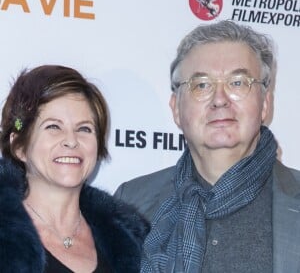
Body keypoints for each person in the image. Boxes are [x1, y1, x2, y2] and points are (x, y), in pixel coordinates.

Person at [114, 20, 300, 272]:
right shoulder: (131, 202)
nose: (220, 100)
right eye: (201, 85)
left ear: (265, 103)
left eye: (237, 83)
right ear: (176, 109)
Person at [0, 65, 149, 272]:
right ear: (19, 147)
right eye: (53, 126)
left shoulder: (132, 241)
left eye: (84, 129)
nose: (71, 141)